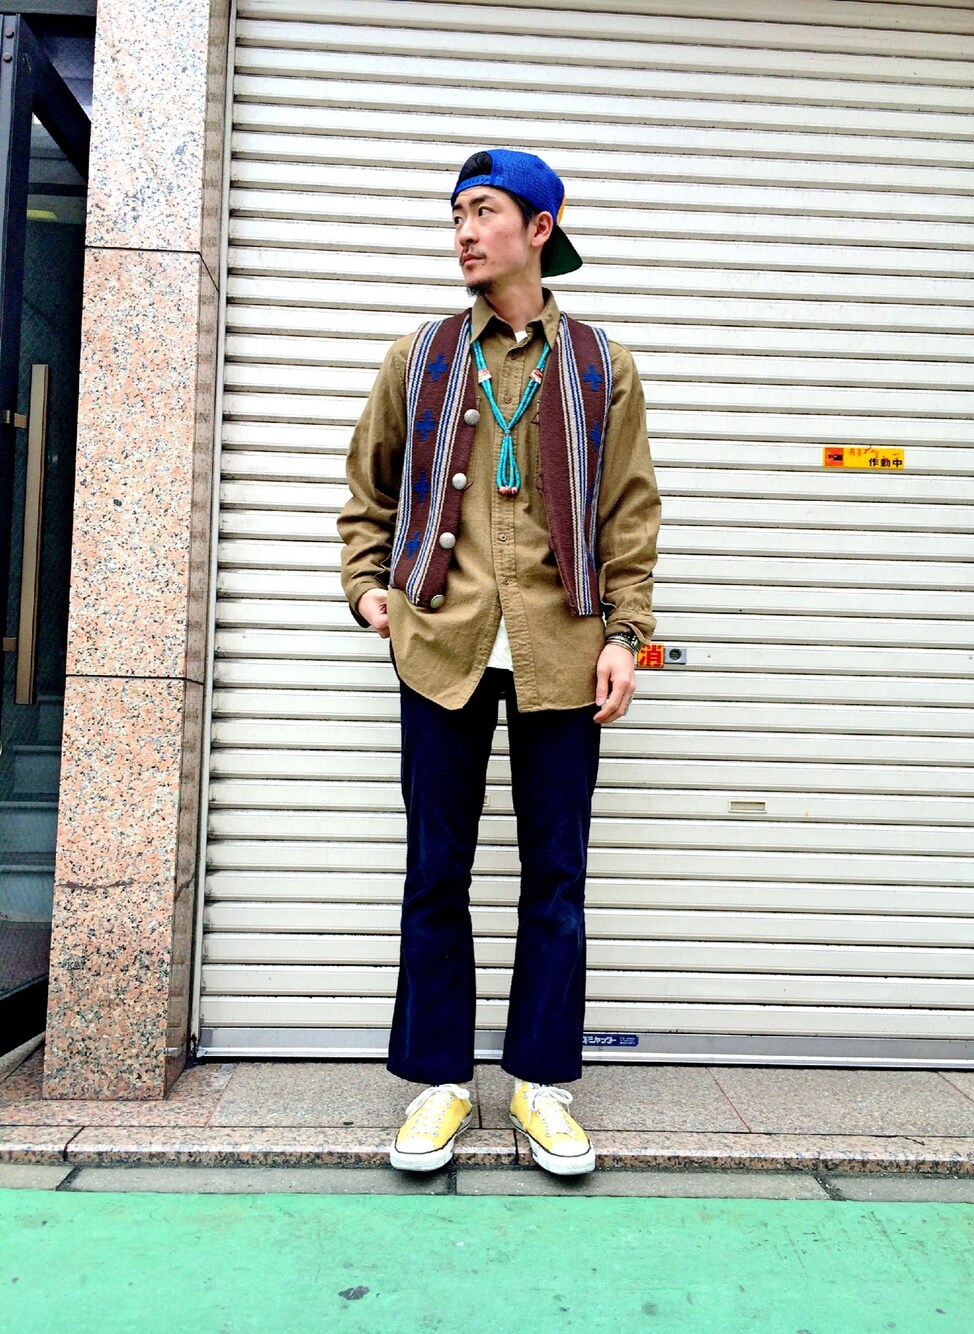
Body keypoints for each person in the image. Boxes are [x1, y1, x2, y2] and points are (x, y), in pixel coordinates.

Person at [338, 149, 660, 1175]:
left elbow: (629, 513)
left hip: (563, 649)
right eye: (456, 216)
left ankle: (538, 1082)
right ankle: (440, 1082)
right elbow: (368, 490)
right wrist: (367, 586)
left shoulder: (601, 365)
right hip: (443, 645)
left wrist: (625, 635)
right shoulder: (423, 355)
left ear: (539, 227)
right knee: (436, 870)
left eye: (483, 212)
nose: (464, 233)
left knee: (555, 875)